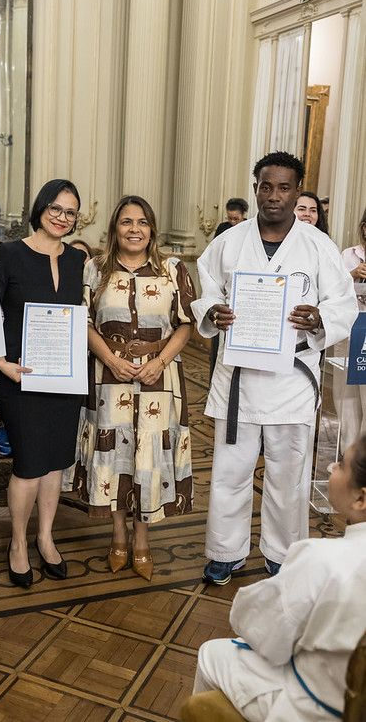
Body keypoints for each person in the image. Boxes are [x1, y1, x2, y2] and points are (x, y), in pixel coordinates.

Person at [191, 151, 357, 585]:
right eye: (267, 186)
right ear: (256, 188)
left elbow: (342, 304)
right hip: (240, 375)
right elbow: (205, 286)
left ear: (298, 191)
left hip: (292, 375)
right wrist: (214, 312)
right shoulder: (228, 242)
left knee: (289, 472)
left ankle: (282, 554)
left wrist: (319, 318)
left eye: (285, 187)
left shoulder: (318, 246)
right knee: (231, 469)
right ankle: (225, 551)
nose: (275, 196)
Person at [192, 433, 366, 722]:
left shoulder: (322, 558)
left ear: (361, 497)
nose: (330, 467)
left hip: (325, 705)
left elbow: (259, 628)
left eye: (341, 465)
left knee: (211, 654)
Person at [69, 195, 195, 581]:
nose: (134, 229)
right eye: (126, 222)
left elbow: (186, 323)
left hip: (159, 377)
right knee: (114, 453)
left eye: (142, 222)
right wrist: (110, 358)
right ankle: (118, 532)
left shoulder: (172, 269)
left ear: (152, 229)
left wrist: (159, 362)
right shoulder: (94, 269)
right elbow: (84, 321)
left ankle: (142, 538)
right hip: (109, 377)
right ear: (114, 228)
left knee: (148, 456)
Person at [0, 179, 86, 588]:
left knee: (56, 463)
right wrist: (0, 364)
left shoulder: (78, 260)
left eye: (71, 212)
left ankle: (46, 538)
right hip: (19, 375)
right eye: (56, 208)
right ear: (40, 208)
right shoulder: (7, 254)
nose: (62, 218)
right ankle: (17, 543)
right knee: (29, 464)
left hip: (63, 376)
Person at [333, 207, 366, 454]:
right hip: (349, 332)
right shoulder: (348, 254)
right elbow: (332, 289)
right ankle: (348, 453)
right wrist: (351, 275)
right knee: (345, 397)